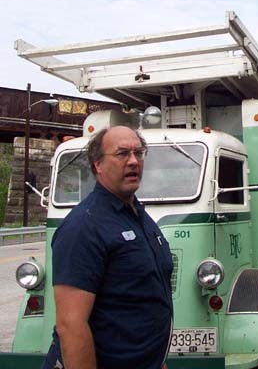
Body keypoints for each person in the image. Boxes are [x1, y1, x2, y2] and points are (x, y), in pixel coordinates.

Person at [43, 126, 173, 369]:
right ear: (97, 165)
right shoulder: (84, 226)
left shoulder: (139, 217)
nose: (134, 161)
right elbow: (71, 325)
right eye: (122, 154)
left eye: (139, 153)